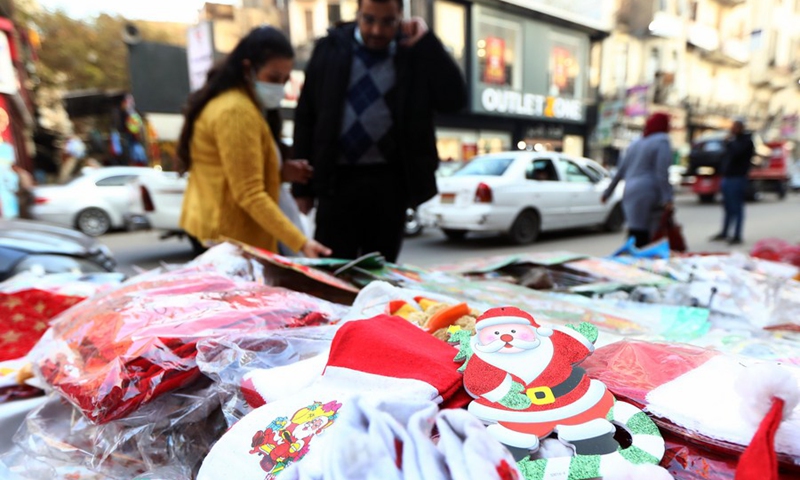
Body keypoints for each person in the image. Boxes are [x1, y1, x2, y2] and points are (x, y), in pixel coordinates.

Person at [292, 0, 467, 263]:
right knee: (333, 271)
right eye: (369, 19)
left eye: (388, 22)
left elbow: (455, 100)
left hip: (390, 184)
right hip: (336, 182)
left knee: (380, 273)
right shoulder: (330, 48)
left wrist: (428, 41)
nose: (376, 30)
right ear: (357, 13)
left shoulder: (414, 51)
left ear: (401, 17)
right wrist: (302, 187)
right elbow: (306, 115)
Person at [177, 26, 330, 258]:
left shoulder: (239, 104)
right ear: (248, 68)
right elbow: (249, 192)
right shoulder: (236, 112)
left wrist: (278, 172)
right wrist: (301, 243)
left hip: (223, 231)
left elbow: (236, 173)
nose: (280, 87)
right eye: (273, 78)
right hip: (229, 238)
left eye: (285, 79)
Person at [601, 112, 674, 248]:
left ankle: (629, 260)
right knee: (646, 237)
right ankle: (638, 263)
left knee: (635, 231)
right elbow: (662, 173)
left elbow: (620, 171)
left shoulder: (636, 142)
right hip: (649, 192)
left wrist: (607, 193)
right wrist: (667, 198)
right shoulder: (662, 141)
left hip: (630, 191)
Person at [711, 119, 754, 245]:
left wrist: (729, 142)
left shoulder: (746, 142)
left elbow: (736, 153)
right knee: (727, 207)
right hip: (728, 177)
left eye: (735, 127)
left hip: (737, 178)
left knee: (737, 207)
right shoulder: (734, 141)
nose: (732, 129)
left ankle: (737, 235)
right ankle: (725, 232)